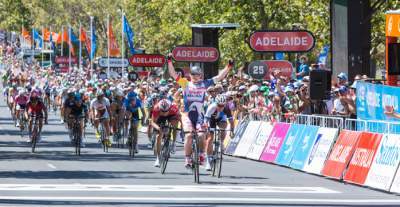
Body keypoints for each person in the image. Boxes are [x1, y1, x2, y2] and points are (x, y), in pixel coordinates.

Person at [167, 53, 233, 168]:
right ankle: (187, 158)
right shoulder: (185, 83)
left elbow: (219, 77)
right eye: (194, 75)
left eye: (198, 75)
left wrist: (228, 67)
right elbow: (173, 74)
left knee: (202, 135)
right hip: (187, 115)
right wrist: (169, 61)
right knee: (188, 136)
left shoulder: (204, 83)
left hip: (199, 116)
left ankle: (202, 154)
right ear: (191, 75)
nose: (196, 77)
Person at [204, 94, 234, 171]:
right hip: (212, 120)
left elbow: (231, 122)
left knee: (223, 128)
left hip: (221, 119)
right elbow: (206, 121)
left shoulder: (226, 108)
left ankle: (221, 142)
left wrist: (232, 131)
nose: (221, 107)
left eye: (222, 105)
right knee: (210, 139)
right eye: (219, 105)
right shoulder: (212, 107)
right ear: (216, 103)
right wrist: (206, 128)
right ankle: (208, 160)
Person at [151, 99, 181, 167]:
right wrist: (158, 128)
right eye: (162, 111)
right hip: (160, 117)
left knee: (175, 124)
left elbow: (180, 119)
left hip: (171, 115)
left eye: (165, 111)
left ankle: (173, 143)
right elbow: (152, 122)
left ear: (169, 108)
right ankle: (158, 158)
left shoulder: (173, 108)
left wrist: (182, 127)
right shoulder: (156, 108)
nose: (164, 113)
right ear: (160, 109)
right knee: (158, 136)